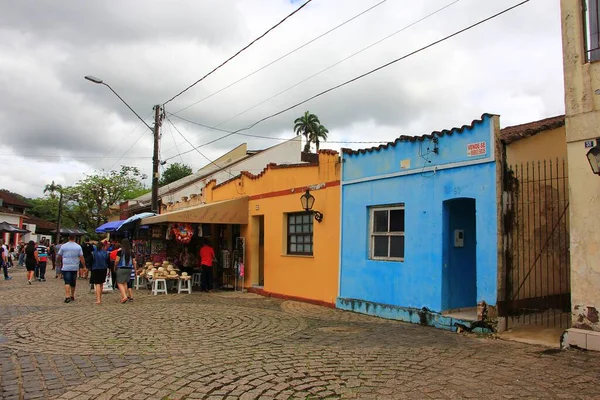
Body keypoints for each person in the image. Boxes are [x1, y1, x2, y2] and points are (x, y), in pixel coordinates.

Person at [57, 235, 85, 303]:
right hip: (74, 266)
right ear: (75, 238)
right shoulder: (78, 246)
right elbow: (81, 257)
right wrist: (84, 266)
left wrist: (58, 262)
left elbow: (59, 255)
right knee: (73, 282)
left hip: (66, 266)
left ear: (68, 238)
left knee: (67, 281)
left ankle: (67, 295)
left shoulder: (64, 246)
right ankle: (72, 295)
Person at [114, 238, 137, 303]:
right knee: (125, 282)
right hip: (129, 269)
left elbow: (117, 260)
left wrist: (115, 267)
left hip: (121, 268)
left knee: (119, 282)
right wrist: (135, 270)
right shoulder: (131, 252)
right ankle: (124, 295)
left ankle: (124, 296)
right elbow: (134, 262)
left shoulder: (120, 251)